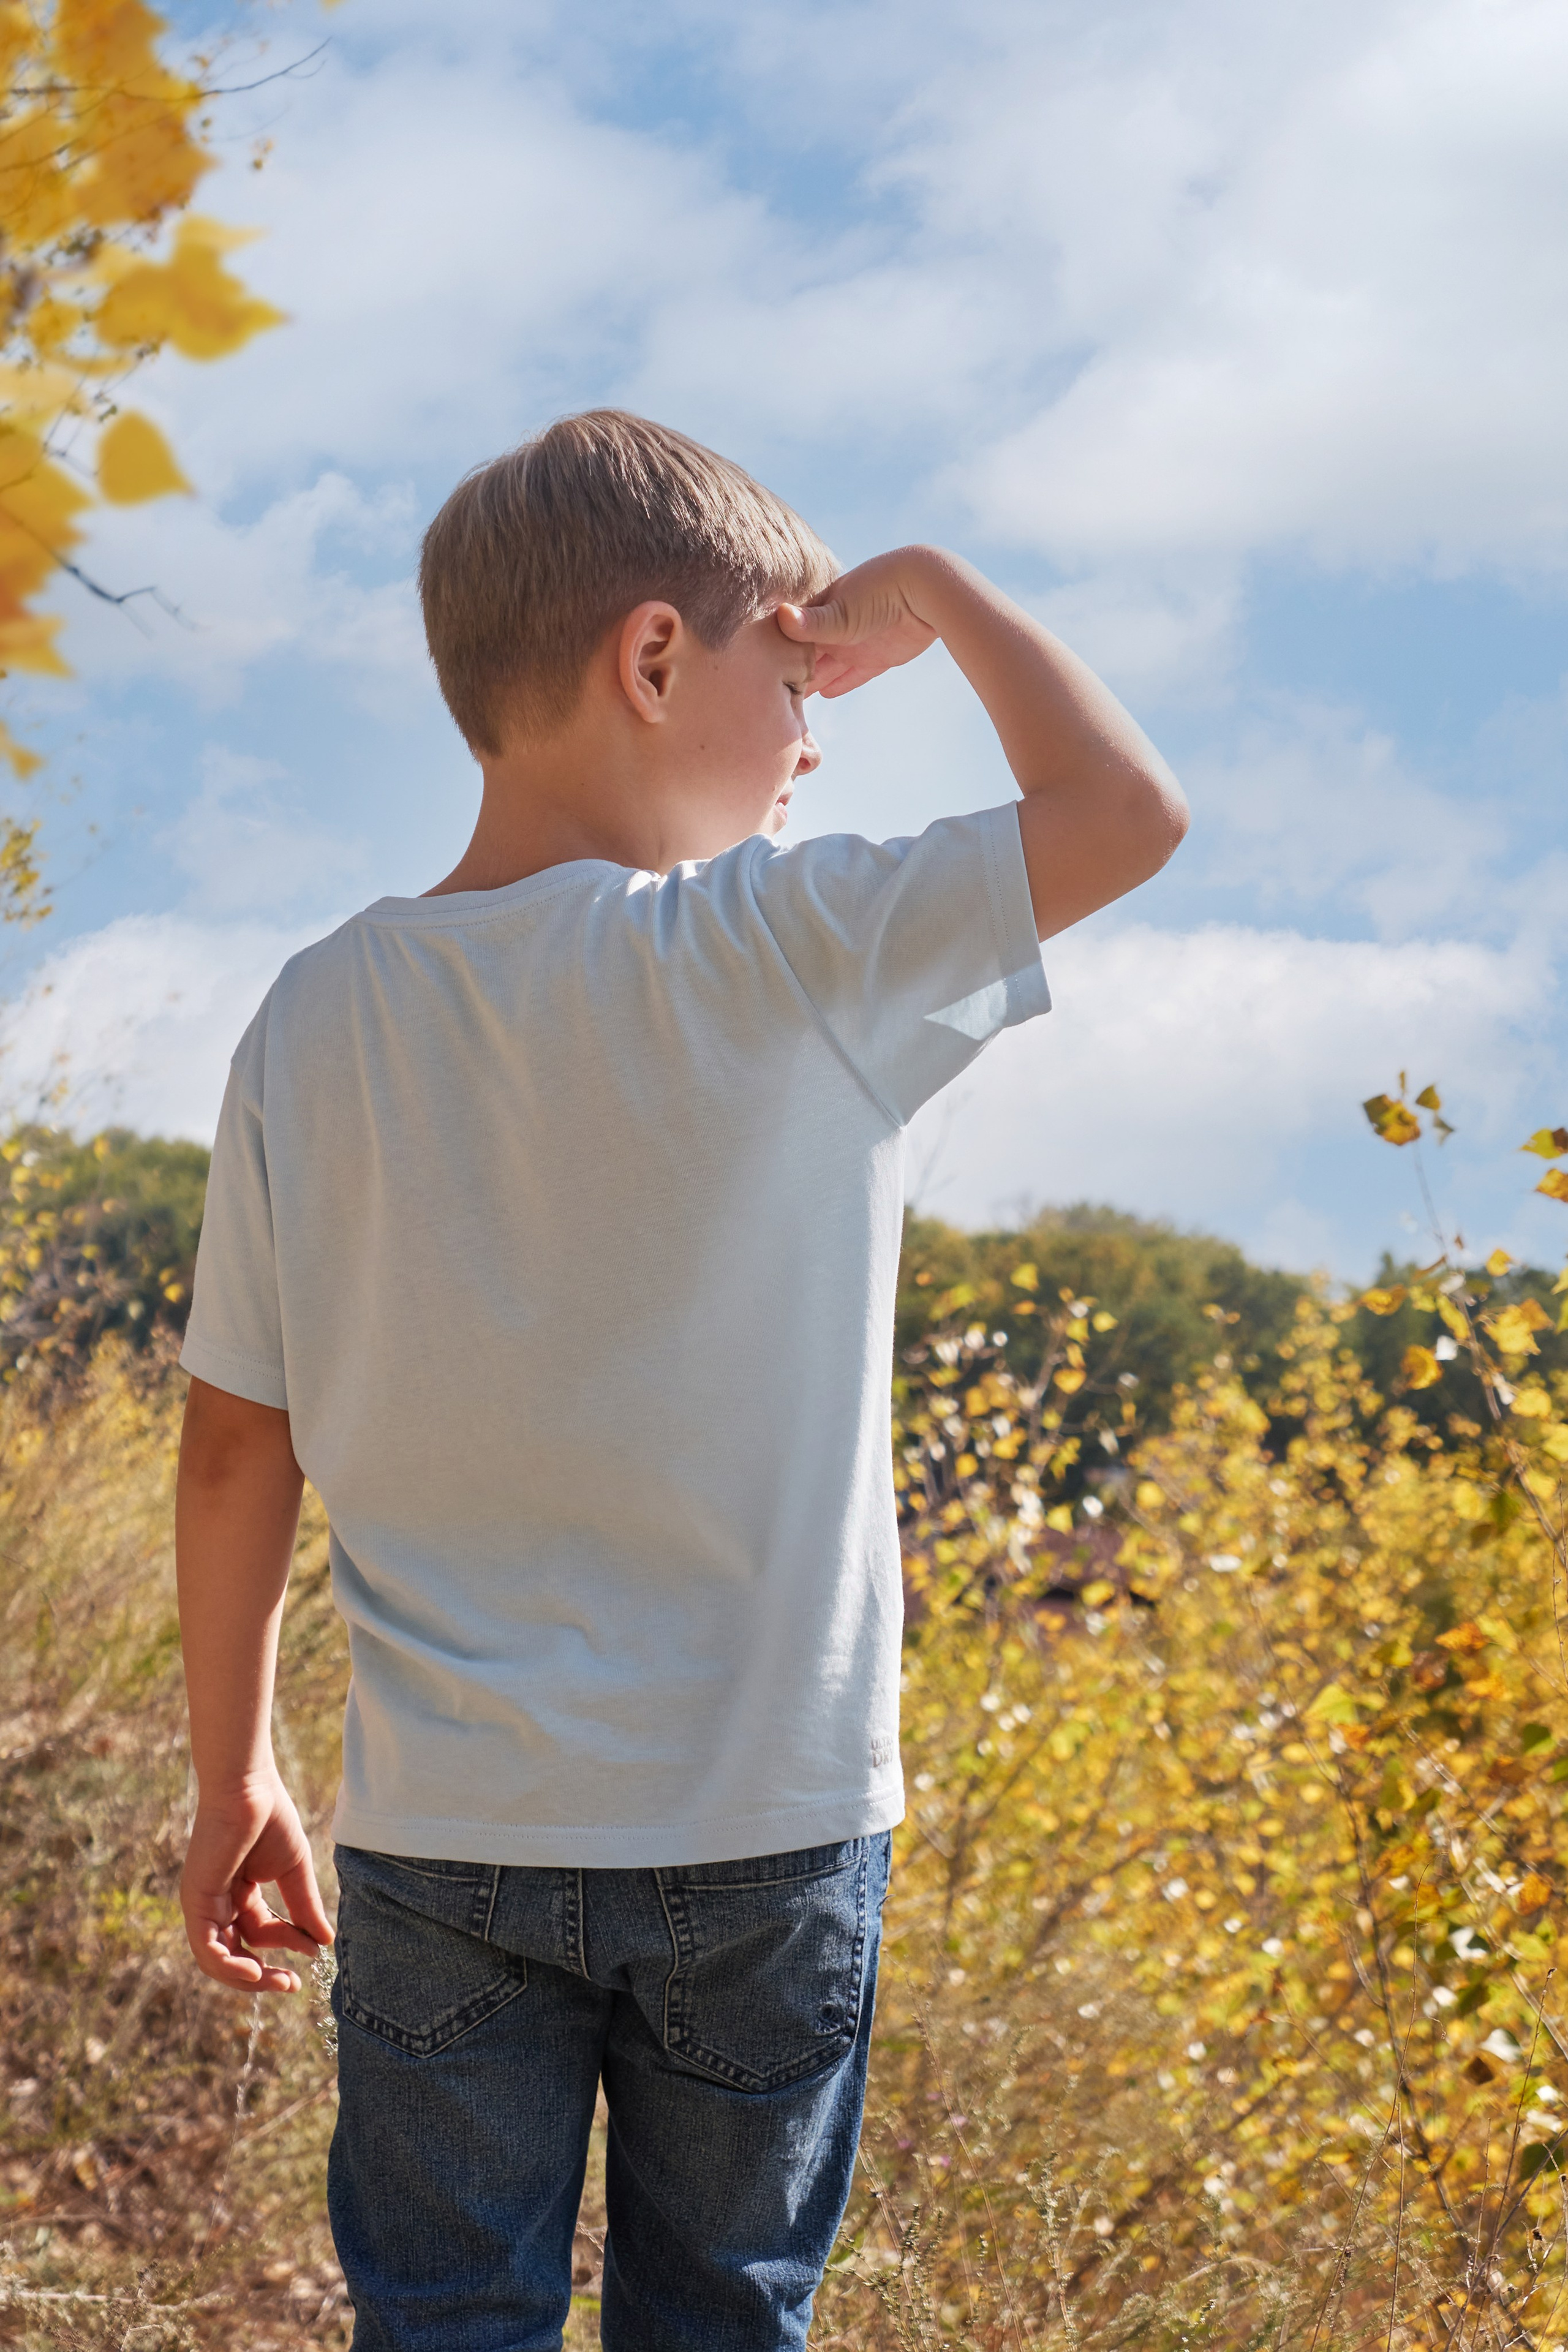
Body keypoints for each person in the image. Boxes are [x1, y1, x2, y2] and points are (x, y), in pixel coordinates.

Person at [175, 410, 1187, 2351]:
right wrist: (944, 595)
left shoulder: (314, 1013)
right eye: (799, 677)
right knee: (721, 2319)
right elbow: (1126, 811)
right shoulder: (792, 944)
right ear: (655, 661)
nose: (818, 738)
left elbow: (238, 1443)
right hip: (766, 1824)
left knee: (442, 2318)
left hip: (443, 1833)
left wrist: (239, 1773)